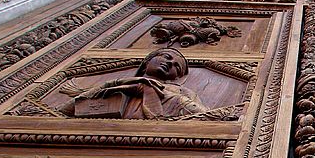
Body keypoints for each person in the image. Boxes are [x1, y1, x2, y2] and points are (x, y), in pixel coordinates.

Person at [61, 48, 206, 119]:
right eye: (166, 57)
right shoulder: (115, 85)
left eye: (176, 66)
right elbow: (64, 111)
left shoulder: (182, 92)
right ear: (146, 62)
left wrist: (146, 89)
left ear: (176, 77)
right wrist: (118, 83)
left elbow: (202, 116)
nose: (169, 63)